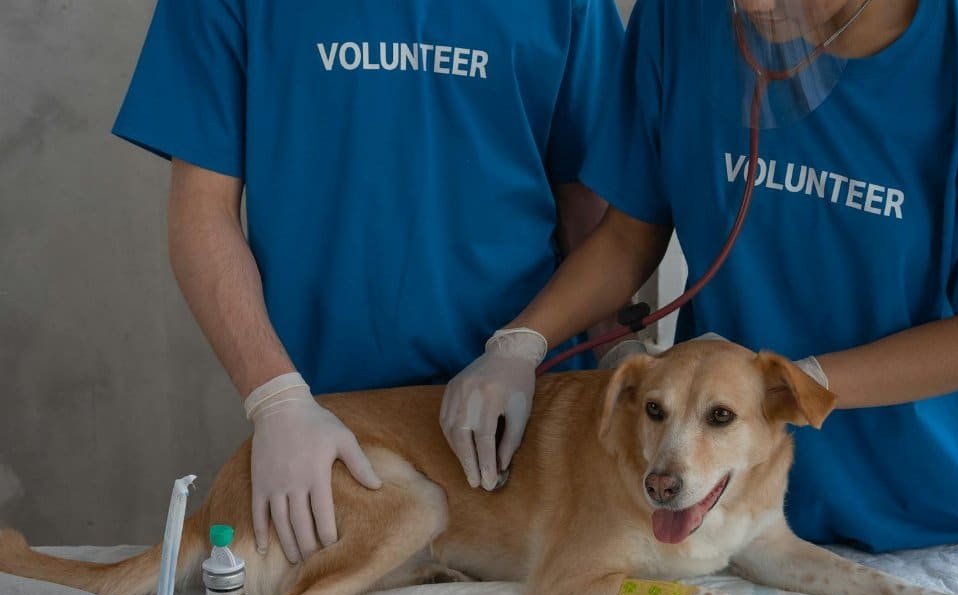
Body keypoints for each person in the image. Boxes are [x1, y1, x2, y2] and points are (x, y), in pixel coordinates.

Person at [441, 0, 958, 553]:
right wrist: (520, 344)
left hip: (918, 511)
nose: (748, 8)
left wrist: (799, 387)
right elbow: (626, 239)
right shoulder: (679, 20)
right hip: (723, 510)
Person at [112, 0, 634, 564]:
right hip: (339, 438)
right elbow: (201, 214)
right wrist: (274, 397)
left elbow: (593, 218)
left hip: (522, 424)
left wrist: (609, 350)